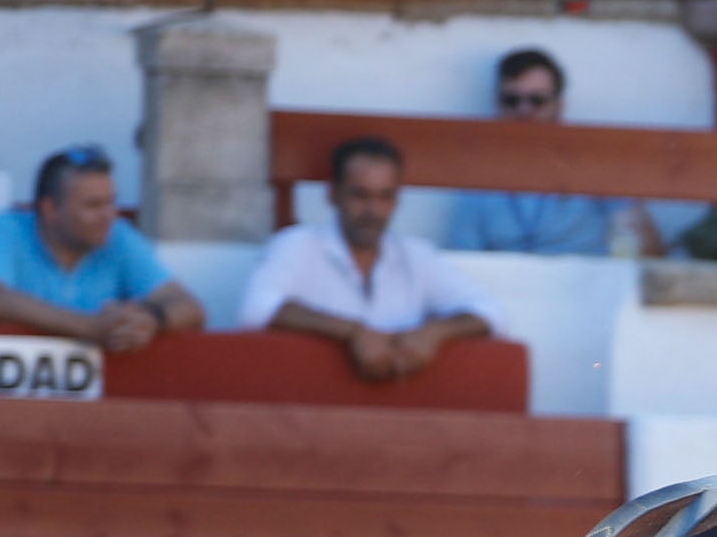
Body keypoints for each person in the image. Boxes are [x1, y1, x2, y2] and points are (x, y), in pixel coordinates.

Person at [242, 136, 499, 381]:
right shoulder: (298, 244)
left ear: (397, 199)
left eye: (384, 197)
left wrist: (434, 333)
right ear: (333, 194)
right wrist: (353, 332)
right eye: (360, 195)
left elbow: (492, 312)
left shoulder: (417, 256)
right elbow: (256, 309)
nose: (372, 211)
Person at [0, 145, 206, 353]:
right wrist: (89, 327)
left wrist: (150, 319)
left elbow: (190, 307)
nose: (108, 215)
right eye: (93, 205)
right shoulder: (3, 229)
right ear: (50, 209)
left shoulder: (119, 235)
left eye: (111, 202)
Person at [443, 50, 660, 255]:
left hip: (582, 288)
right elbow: (464, 257)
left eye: (537, 100)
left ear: (559, 106)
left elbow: (647, 250)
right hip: (505, 290)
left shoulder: (593, 160)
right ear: (497, 104)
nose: (523, 110)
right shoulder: (479, 172)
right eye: (511, 100)